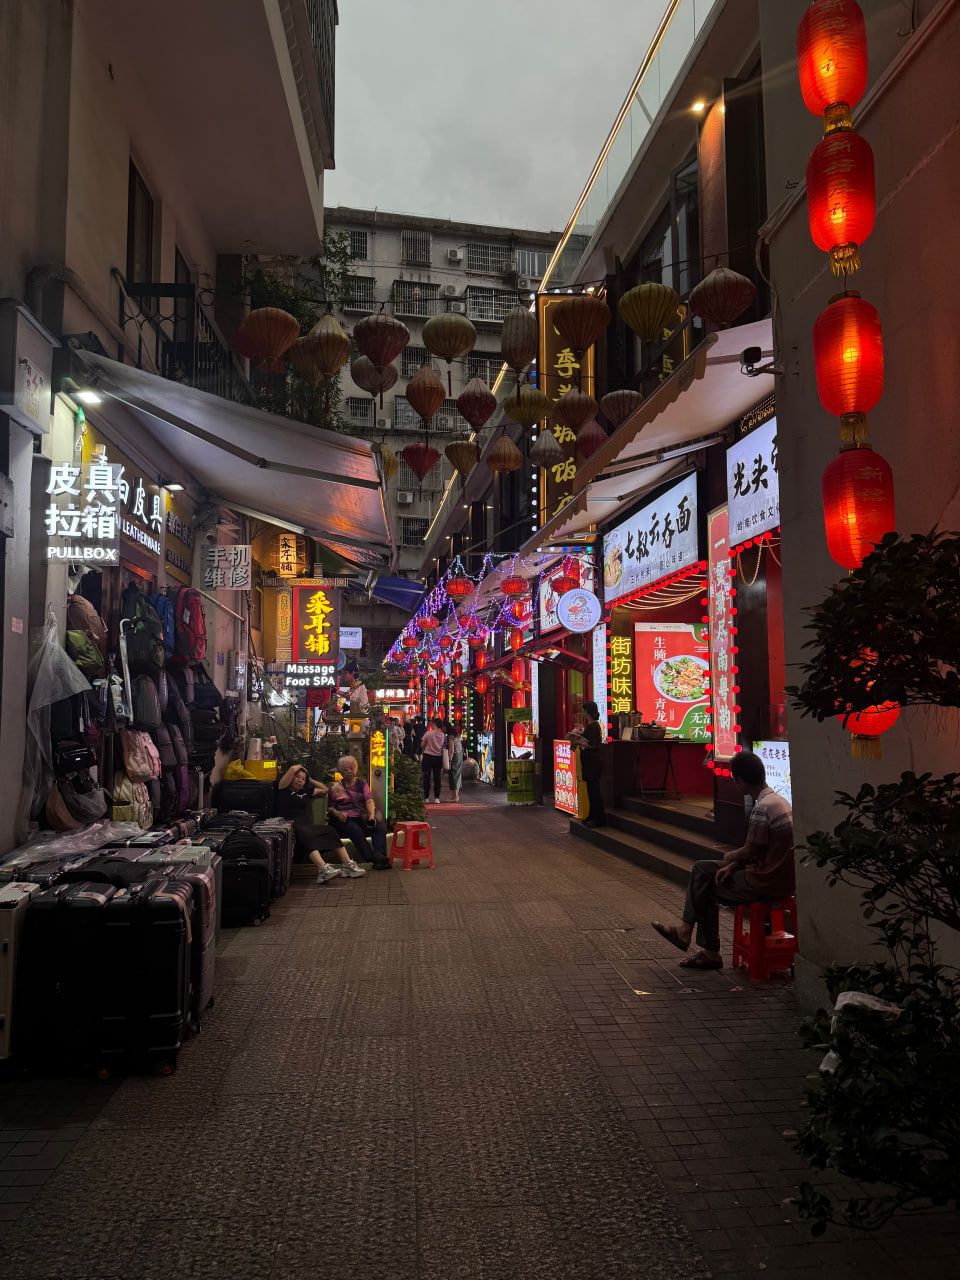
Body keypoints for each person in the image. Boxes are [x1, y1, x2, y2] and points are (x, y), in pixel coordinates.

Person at [651, 751, 795, 970]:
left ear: (740, 781)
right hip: (775, 875)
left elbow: (748, 852)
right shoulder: (780, 801)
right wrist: (733, 865)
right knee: (703, 870)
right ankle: (686, 932)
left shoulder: (762, 809)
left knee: (705, 886)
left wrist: (730, 857)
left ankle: (703, 947)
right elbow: (757, 852)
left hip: (764, 881)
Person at [276, 765, 365, 884]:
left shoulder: (306, 792)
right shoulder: (282, 790)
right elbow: (292, 769)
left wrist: (310, 779)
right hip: (290, 826)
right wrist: (301, 767)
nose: (300, 780)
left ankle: (348, 865)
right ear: (290, 778)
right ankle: (323, 869)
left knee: (329, 830)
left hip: (306, 826)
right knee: (304, 834)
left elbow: (324, 789)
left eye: (303, 779)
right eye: (297, 777)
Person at [327, 754, 391, 870]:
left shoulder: (361, 783)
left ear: (355, 769)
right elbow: (330, 808)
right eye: (345, 769)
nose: (349, 771)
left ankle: (380, 856)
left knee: (379, 827)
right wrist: (337, 813)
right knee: (355, 830)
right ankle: (372, 858)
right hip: (344, 819)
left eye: (351, 768)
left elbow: (369, 800)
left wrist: (371, 814)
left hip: (361, 817)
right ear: (341, 771)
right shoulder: (335, 788)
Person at [569, 700, 605, 828]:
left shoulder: (594, 726)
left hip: (593, 763)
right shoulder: (590, 726)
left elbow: (592, 744)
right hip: (589, 762)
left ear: (588, 711)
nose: (582, 712)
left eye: (583, 710)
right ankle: (591, 816)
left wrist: (578, 742)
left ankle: (598, 819)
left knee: (594, 790)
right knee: (591, 790)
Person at [420, 717, 446, 803]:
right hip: (438, 758)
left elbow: (422, 745)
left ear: (434, 724)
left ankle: (426, 797)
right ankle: (436, 798)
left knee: (426, 777)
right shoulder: (443, 735)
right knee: (437, 778)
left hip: (427, 757)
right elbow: (443, 747)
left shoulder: (428, 733)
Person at [447, 725, 464, 802]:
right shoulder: (456, 735)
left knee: (453, 775)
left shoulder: (450, 737)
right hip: (460, 754)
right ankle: (456, 795)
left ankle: (454, 797)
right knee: (457, 774)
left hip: (455, 756)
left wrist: (449, 761)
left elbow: (451, 750)